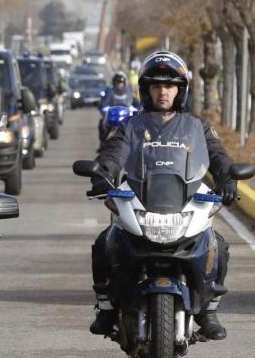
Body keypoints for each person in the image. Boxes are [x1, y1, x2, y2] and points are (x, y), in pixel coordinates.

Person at [87, 51, 236, 340]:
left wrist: (227, 178)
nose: (163, 91)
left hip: (182, 201)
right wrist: (102, 175)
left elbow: (218, 157)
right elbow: (112, 155)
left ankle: (208, 311)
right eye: (156, 85)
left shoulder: (198, 127)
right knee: (104, 243)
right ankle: (106, 308)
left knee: (218, 245)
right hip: (142, 200)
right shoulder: (130, 126)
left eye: (169, 85)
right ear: (146, 90)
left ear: (181, 89)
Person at [98, 71, 136, 143]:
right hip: (112, 114)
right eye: (117, 82)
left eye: (121, 82)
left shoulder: (129, 91)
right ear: (114, 82)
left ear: (124, 83)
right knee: (102, 122)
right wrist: (103, 107)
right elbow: (103, 103)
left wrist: (138, 107)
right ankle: (103, 142)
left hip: (126, 114)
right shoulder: (109, 91)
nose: (119, 84)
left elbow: (136, 102)